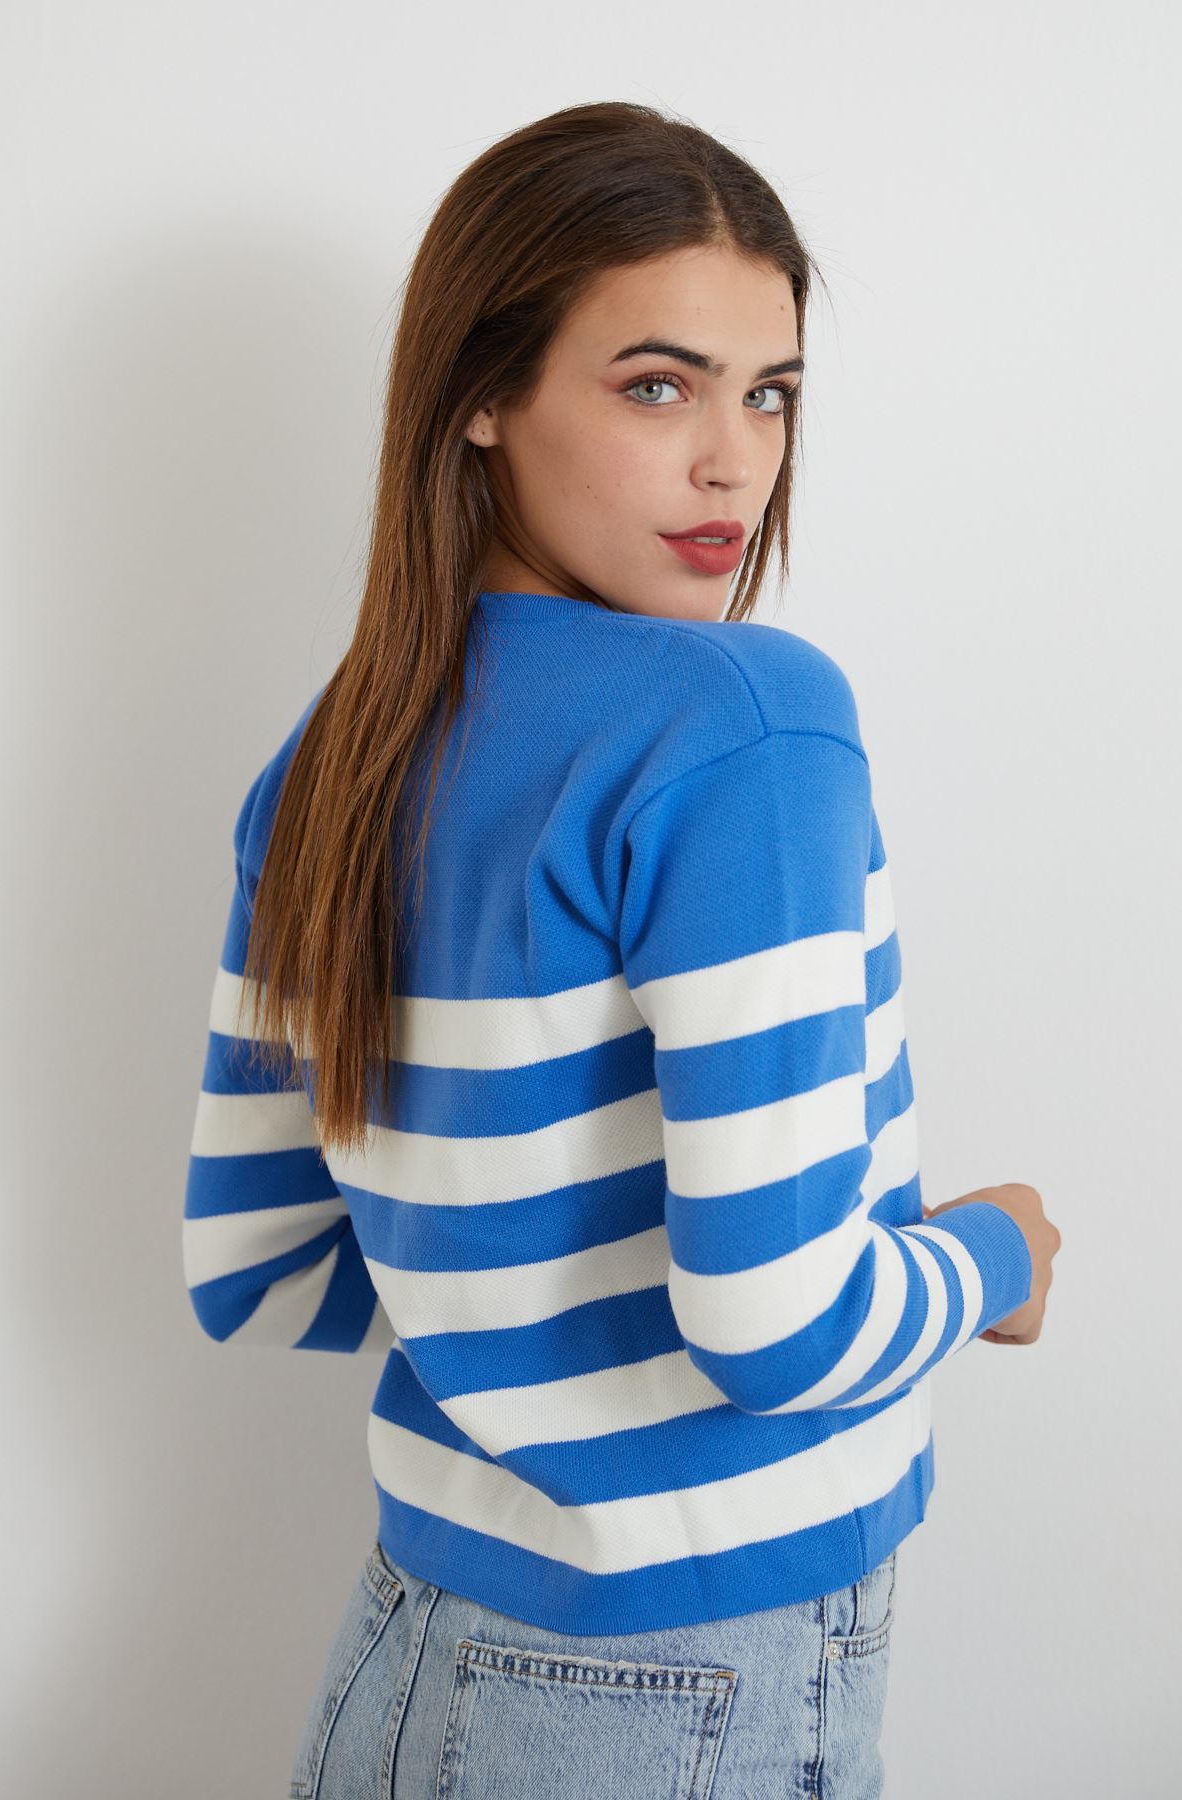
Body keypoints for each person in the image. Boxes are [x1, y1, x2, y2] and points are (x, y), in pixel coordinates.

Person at [182, 100, 1061, 1799]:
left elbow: (260, 1270)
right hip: (681, 1685)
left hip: (401, 1657)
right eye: (659, 386)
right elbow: (786, 1336)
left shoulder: (332, 760)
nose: (735, 461)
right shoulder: (742, 726)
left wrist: (517, 1319)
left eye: (770, 392)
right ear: (482, 394)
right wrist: (996, 1256)